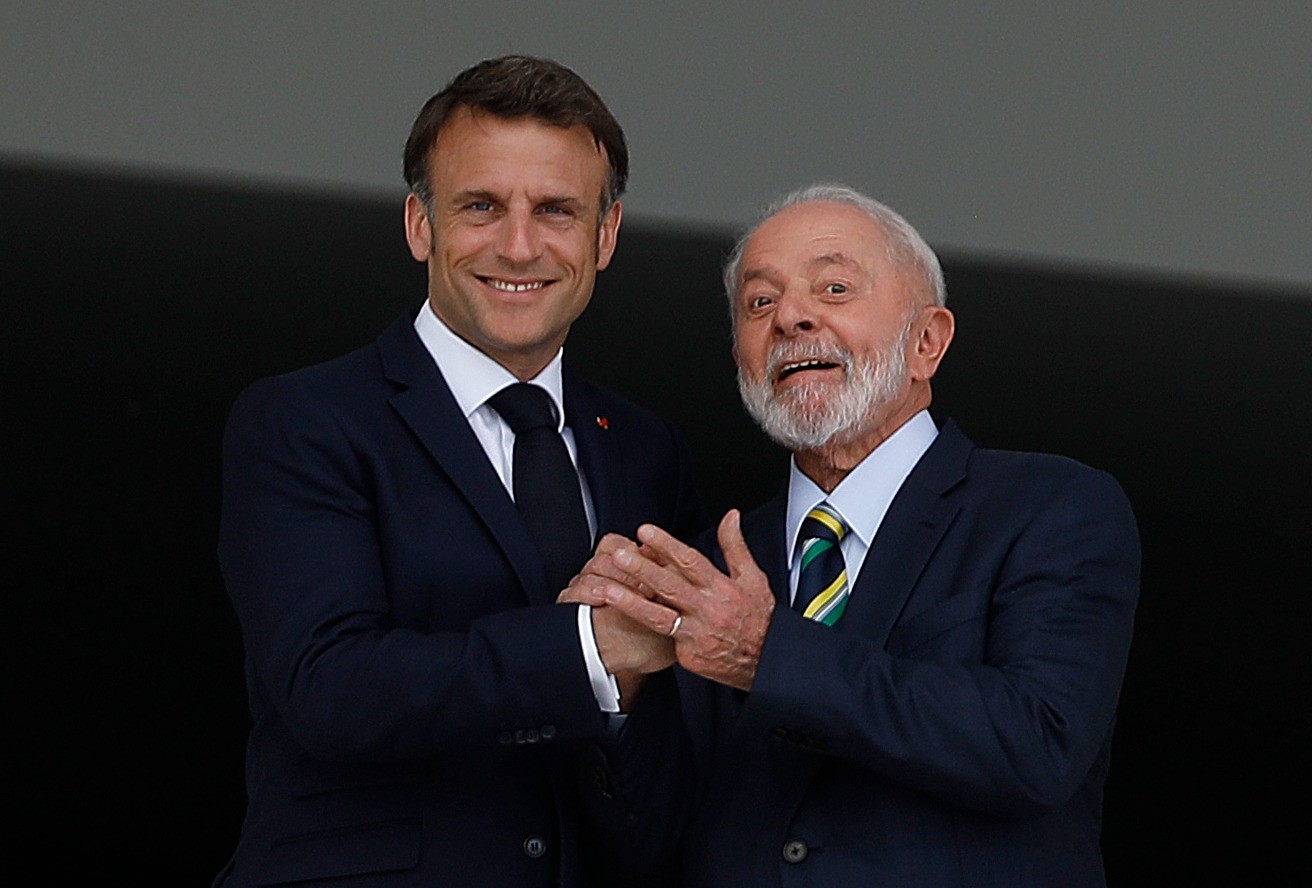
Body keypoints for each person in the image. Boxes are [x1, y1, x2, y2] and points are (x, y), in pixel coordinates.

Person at [214, 56, 703, 888]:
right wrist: (591, 648)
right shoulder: (304, 421)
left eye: (556, 210)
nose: (519, 244)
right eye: (481, 206)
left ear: (605, 236)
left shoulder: (645, 447)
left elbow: (666, 745)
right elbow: (328, 688)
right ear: (419, 225)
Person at [573, 184, 1140, 886]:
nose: (791, 317)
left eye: (834, 287)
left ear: (927, 342)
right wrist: (615, 688)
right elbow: (647, 843)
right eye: (759, 302)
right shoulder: (712, 570)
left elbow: (1038, 745)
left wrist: (768, 654)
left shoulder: (1051, 507)